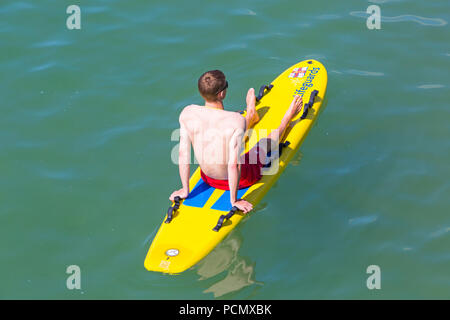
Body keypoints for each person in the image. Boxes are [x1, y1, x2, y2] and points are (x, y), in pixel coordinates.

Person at [169, 70, 303, 213]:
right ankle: (287, 119)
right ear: (221, 94)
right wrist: (234, 200)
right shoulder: (235, 120)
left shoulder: (187, 113)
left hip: (207, 177)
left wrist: (185, 190)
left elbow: (183, 154)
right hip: (242, 179)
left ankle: (251, 116)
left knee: (227, 134)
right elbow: (234, 165)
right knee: (263, 143)